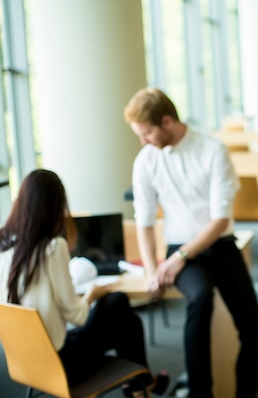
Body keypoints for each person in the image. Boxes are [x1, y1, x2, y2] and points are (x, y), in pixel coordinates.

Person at [123, 87, 258, 398]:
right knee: (200, 297)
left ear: (167, 121)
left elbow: (219, 220)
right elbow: (145, 224)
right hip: (179, 246)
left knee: (254, 333)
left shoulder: (212, 150)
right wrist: (151, 271)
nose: (143, 141)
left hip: (219, 242)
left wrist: (179, 259)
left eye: (146, 133)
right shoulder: (145, 161)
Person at [0, 169, 168, 398]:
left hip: (27, 362)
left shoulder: (5, 248)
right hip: (63, 366)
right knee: (118, 303)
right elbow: (77, 316)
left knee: (127, 320)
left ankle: (143, 386)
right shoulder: (51, 248)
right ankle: (143, 385)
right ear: (55, 206)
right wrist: (91, 293)